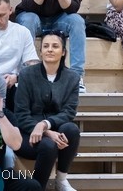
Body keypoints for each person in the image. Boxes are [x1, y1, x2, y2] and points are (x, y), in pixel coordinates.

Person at [14, 32, 80, 191]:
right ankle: (37, 188)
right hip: (27, 132)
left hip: (55, 126)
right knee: (48, 145)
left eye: (55, 46)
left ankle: (61, 180)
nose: (50, 49)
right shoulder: (26, 74)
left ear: (63, 52)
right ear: (40, 51)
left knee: (71, 129)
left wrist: (45, 124)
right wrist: (46, 132)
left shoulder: (72, 77)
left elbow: (69, 112)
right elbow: (21, 114)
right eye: (46, 46)